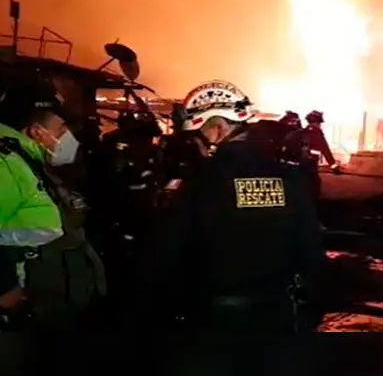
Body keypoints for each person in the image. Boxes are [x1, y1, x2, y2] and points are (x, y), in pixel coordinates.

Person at [135, 79, 326, 333]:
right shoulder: (290, 177)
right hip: (278, 318)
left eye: (197, 137)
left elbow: (163, 258)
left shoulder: (199, 182)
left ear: (217, 129)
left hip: (212, 324)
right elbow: (312, 252)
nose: (197, 146)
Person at [0, 80, 106, 331]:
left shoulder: (27, 163)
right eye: (61, 128)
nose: (68, 137)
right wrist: (5, 289)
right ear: (37, 132)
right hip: (19, 319)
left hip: (51, 310)